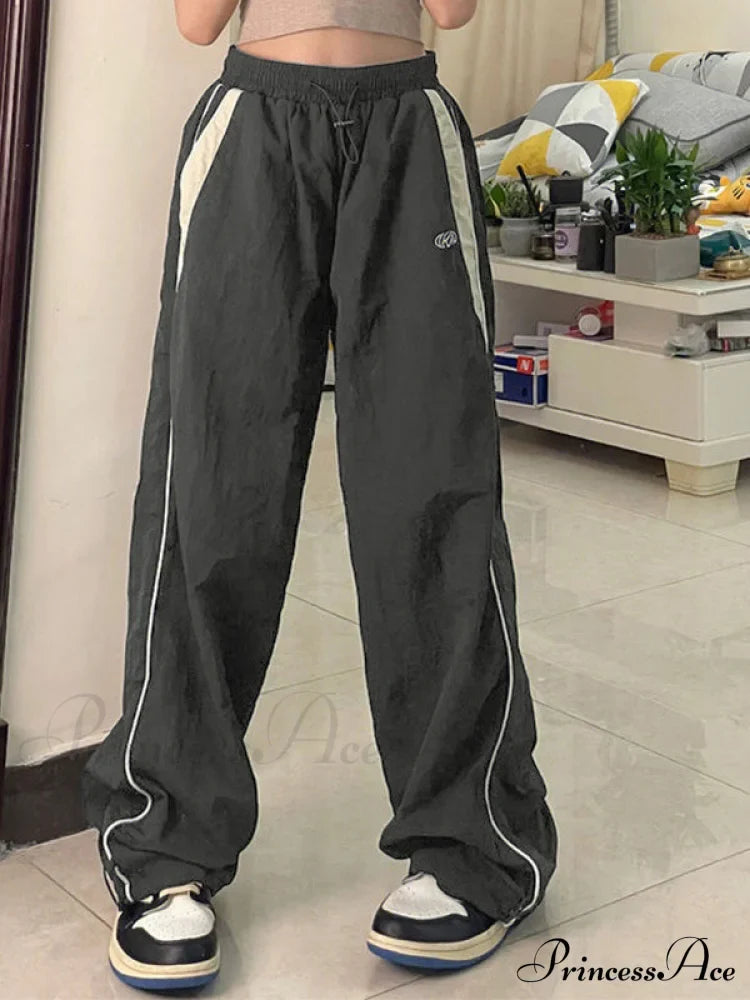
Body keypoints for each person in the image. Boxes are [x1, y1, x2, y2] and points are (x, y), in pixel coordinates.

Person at [81, 0, 558, 991]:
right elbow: (197, 22)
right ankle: (166, 847)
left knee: (437, 486)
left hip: (408, 130)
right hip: (254, 126)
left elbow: (454, 9)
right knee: (210, 491)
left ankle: (471, 844)